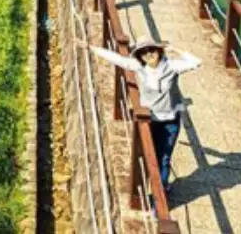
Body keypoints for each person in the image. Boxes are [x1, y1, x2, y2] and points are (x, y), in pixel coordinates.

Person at [80, 38, 202, 194]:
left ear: (159, 51)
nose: (148, 54)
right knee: (146, 154)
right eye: (143, 52)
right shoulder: (139, 67)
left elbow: (196, 62)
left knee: (164, 158)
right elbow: (117, 59)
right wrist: (90, 47)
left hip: (170, 120)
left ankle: (160, 193)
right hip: (148, 119)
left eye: (151, 50)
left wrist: (175, 48)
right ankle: (148, 188)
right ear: (139, 56)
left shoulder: (172, 66)